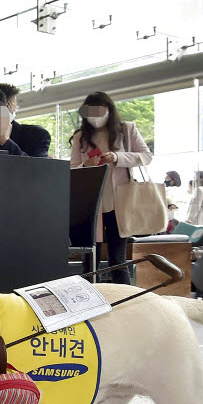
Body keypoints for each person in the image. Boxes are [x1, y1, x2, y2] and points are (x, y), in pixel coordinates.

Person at [69, 91, 152, 285]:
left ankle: (125, 304)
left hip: (121, 202)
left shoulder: (127, 130)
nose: (95, 118)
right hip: (91, 205)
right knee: (90, 262)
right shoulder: (81, 137)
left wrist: (118, 157)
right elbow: (73, 169)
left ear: (109, 110)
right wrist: (86, 166)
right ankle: (88, 306)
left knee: (118, 259)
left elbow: (146, 156)